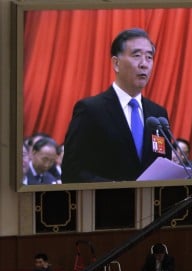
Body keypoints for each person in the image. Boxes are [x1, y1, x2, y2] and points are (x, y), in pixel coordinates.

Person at [62, 28, 172, 183]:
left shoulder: (158, 114)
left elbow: (164, 164)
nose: (144, 64)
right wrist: (113, 187)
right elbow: (71, 172)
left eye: (149, 57)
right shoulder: (90, 110)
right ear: (116, 63)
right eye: (137, 56)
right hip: (107, 203)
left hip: (152, 204)